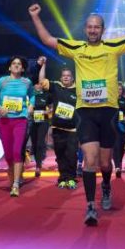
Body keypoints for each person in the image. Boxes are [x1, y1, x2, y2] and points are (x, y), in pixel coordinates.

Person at [29, 2, 125, 226]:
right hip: (85, 113)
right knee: (89, 161)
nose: (93, 30)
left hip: (108, 112)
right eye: (90, 27)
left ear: (102, 30)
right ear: (85, 29)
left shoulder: (113, 46)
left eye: (97, 27)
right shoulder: (77, 48)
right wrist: (35, 17)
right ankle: (91, 205)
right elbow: (48, 40)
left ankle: (107, 185)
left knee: (104, 164)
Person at [0, 56, 34, 197]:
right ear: (9, 67)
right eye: (14, 63)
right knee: (8, 155)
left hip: (20, 120)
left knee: (16, 151)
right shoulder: (1, 81)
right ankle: (14, 173)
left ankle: (15, 184)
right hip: (5, 121)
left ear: (23, 68)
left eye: (19, 64)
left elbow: (32, 96)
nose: (16, 65)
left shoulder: (27, 82)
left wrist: (31, 105)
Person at [39, 58, 79, 189]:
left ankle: (72, 178)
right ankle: (63, 178)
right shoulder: (56, 87)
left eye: (68, 76)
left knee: (71, 155)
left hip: (73, 129)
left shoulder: (78, 90)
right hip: (57, 128)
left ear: (72, 78)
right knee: (60, 154)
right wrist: (44, 64)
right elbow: (41, 81)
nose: (66, 78)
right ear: (61, 78)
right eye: (64, 76)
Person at [30, 65, 53, 177]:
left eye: (40, 84)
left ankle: (38, 166)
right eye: (37, 84)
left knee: (40, 143)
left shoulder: (47, 95)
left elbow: (53, 107)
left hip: (43, 121)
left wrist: (47, 112)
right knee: (34, 144)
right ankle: (37, 159)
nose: (38, 85)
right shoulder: (29, 96)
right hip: (32, 122)